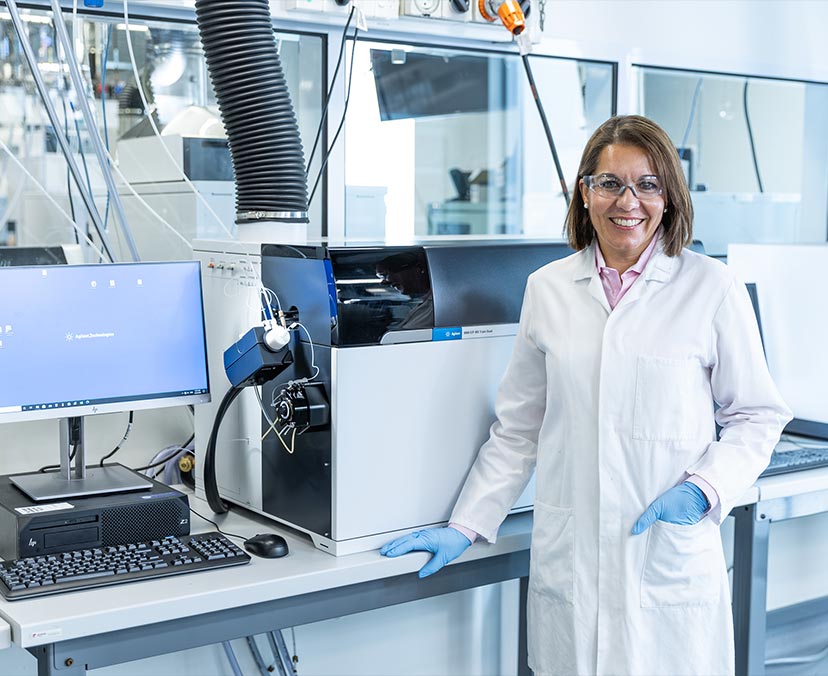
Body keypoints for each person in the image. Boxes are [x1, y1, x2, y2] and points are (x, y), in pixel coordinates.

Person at [380, 115, 791, 675]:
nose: (629, 201)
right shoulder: (548, 288)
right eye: (610, 183)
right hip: (572, 565)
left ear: (668, 197)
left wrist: (704, 490)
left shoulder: (710, 287)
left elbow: (757, 416)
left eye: (647, 184)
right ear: (585, 192)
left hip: (667, 562)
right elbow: (520, 427)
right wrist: (466, 523)